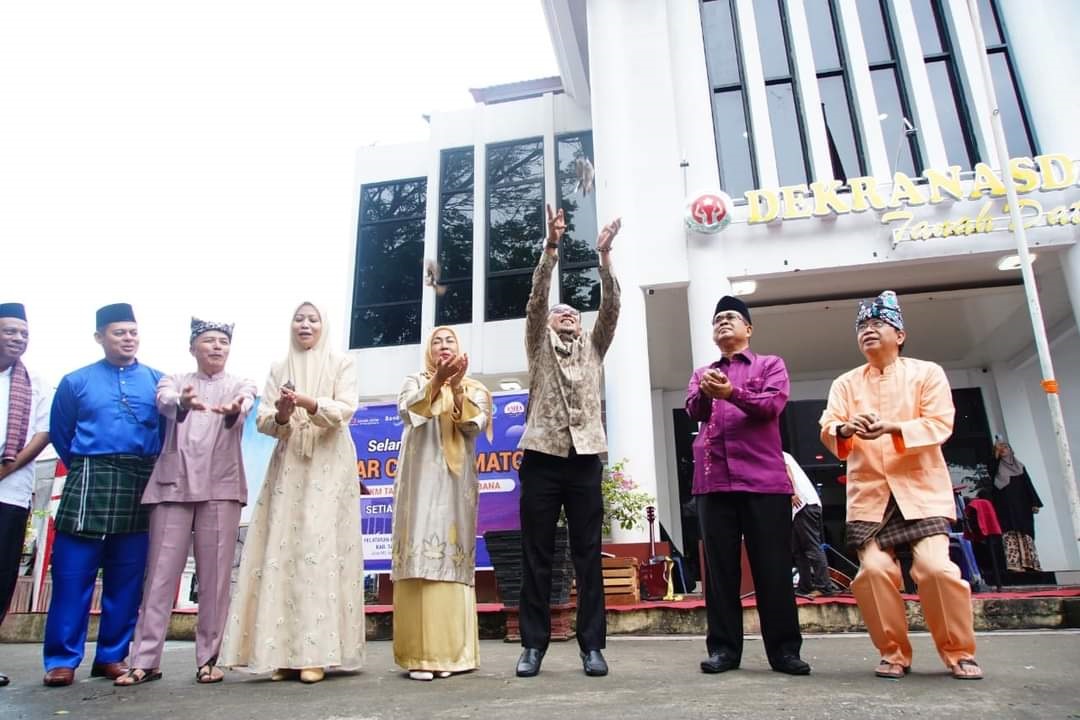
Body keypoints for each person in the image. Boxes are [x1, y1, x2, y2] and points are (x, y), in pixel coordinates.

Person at [819, 290, 982, 680]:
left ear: (900, 334)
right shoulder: (845, 383)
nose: (868, 332)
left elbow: (941, 424)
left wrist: (893, 428)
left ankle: (958, 651)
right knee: (873, 572)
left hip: (920, 491)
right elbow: (829, 426)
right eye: (862, 327)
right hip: (870, 494)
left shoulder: (926, 373)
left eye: (877, 325)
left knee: (936, 569)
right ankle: (893, 652)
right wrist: (843, 428)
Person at [220, 302, 364, 684]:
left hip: (328, 464)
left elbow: (347, 408)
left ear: (323, 325)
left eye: (312, 319)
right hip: (289, 467)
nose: (305, 324)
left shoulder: (341, 363)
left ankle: (315, 652)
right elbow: (266, 420)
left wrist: (308, 403)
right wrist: (284, 412)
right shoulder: (278, 367)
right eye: (299, 319)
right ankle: (282, 653)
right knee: (283, 549)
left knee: (317, 551)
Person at [115, 318, 257, 687]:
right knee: (160, 576)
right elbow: (165, 402)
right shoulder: (174, 380)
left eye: (223, 342)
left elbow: (246, 402)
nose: (216, 347)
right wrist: (183, 401)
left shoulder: (240, 384)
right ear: (193, 347)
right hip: (173, 485)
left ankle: (209, 659)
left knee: (215, 578)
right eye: (208, 341)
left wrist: (236, 408)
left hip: (220, 486)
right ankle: (144, 660)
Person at [515, 204, 622, 679]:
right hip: (540, 457)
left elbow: (612, 307)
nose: (565, 316)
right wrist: (552, 246)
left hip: (584, 462)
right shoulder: (538, 344)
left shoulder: (594, 347)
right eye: (560, 313)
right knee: (536, 554)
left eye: (572, 314)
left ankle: (592, 647)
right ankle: (532, 646)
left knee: (586, 556)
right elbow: (537, 299)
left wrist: (605, 258)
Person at [686, 296, 809, 676]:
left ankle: (784, 651)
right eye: (717, 318)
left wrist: (732, 393)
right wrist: (708, 392)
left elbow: (771, 407)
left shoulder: (771, 365)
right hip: (713, 482)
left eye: (731, 318)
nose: (723, 322)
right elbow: (694, 411)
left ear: (748, 329)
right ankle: (723, 650)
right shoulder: (702, 372)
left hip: (763, 482)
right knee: (720, 574)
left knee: (772, 568)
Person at [44, 303, 164, 687]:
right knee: (72, 574)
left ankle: (112, 655)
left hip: (139, 479)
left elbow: (165, 434)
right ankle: (62, 659)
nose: (128, 339)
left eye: (132, 332)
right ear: (99, 337)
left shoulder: (157, 382)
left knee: (128, 575)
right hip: (91, 476)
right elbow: (62, 434)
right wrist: (88, 465)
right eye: (118, 333)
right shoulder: (75, 381)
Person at [391, 326, 492, 681]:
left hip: (454, 484)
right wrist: (436, 383)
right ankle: (419, 656)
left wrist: (458, 388)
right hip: (418, 482)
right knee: (419, 551)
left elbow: (473, 426)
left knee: (451, 556)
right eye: (437, 341)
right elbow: (409, 413)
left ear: (460, 349)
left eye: (450, 341)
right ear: (429, 351)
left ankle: (450, 654)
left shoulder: (476, 387)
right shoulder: (412, 381)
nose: (444, 345)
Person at [0, 303, 52, 688]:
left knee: (2, 575)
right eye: (10, 331)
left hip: (11, 492)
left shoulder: (34, 381)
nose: (18, 338)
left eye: (23, 332)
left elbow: (42, 433)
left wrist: (5, 468)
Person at [989, 441, 1043, 573]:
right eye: (1001, 449)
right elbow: (992, 471)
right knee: (1010, 531)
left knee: (1026, 531)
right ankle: (1014, 564)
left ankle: (1030, 563)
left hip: (1023, 506)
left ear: (1012, 450)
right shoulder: (996, 466)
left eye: (1006, 447)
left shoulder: (1020, 466)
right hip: (1005, 506)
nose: (1004, 450)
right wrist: (996, 453)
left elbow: (1028, 485)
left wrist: (1035, 503)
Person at [784, 452, 831, 598]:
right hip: (798, 509)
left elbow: (785, 470)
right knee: (798, 551)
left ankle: (824, 587)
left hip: (804, 504)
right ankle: (805, 586)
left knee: (811, 547)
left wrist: (791, 492)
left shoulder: (778, 453)